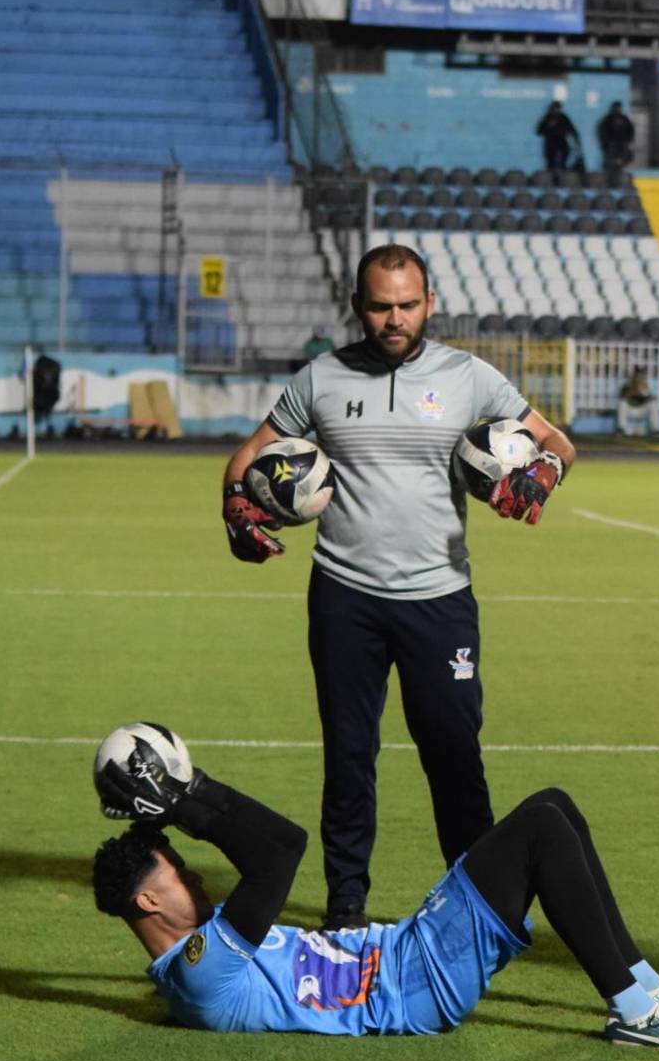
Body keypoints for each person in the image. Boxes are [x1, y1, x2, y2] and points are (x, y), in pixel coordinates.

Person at [221, 243, 576, 931]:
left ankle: (482, 910)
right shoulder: (320, 379)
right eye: (381, 306)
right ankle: (345, 907)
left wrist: (541, 475)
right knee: (349, 756)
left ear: (430, 303)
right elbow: (249, 453)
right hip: (344, 597)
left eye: (408, 305)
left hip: (439, 599)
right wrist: (236, 505)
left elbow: (556, 442)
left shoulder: (468, 377)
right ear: (358, 306)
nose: (395, 319)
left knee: (455, 756)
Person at [91, 744, 659, 1050]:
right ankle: (634, 1014)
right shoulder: (199, 974)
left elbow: (283, 840)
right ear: (149, 904)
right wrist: (185, 803)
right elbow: (277, 857)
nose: (197, 878)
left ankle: (647, 985)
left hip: (405, 956)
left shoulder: (204, 956)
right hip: (412, 985)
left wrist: (191, 787)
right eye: (177, 872)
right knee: (540, 829)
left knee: (552, 806)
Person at [536, 101, 581, 176]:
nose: (557, 110)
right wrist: (548, 127)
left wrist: (577, 141)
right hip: (550, 145)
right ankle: (551, 178)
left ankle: (563, 177)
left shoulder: (563, 118)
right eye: (555, 108)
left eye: (558, 108)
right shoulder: (547, 118)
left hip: (562, 143)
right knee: (550, 164)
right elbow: (539, 131)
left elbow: (572, 130)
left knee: (563, 163)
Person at [616, 365, 659, 436]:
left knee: (653, 404)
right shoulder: (627, 385)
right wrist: (634, 391)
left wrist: (647, 396)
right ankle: (621, 429)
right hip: (630, 409)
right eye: (638, 375)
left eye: (641, 375)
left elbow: (650, 398)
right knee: (622, 403)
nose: (640, 377)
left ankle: (656, 430)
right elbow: (623, 396)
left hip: (641, 409)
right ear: (634, 376)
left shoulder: (645, 385)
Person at [596, 100, 635, 185]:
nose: (617, 109)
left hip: (622, 144)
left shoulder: (624, 119)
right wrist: (604, 145)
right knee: (611, 165)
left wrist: (628, 141)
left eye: (618, 108)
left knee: (621, 162)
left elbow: (630, 131)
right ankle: (611, 182)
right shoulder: (607, 119)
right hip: (611, 145)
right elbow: (602, 133)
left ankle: (619, 180)